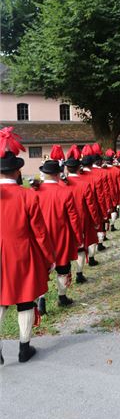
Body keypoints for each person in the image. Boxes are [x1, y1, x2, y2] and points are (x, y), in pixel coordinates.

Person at [0, 128, 55, 363]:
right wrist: (49, 257)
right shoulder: (28, 196)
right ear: (18, 171)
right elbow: (40, 233)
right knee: (25, 300)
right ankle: (24, 348)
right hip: (22, 253)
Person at [35, 159, 83, 312]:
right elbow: (74, 217)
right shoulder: (65, 191)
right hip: (61, 235)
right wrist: (77, 237)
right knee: (63, 267)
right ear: (58, 174)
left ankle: (41, 299)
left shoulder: (34, 192)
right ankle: (62, 296)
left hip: (40, 236)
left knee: (42, 268)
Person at [63, 157, 101, 283]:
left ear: (67, 168)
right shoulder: (84, 184)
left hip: (64, 219)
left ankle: (66, 272)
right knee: (80, 246)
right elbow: (91, 205)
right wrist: (96, 221)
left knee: (67, 246)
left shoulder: (61, 183)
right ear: (78, 168)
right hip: (81, 218)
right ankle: (79, 273)